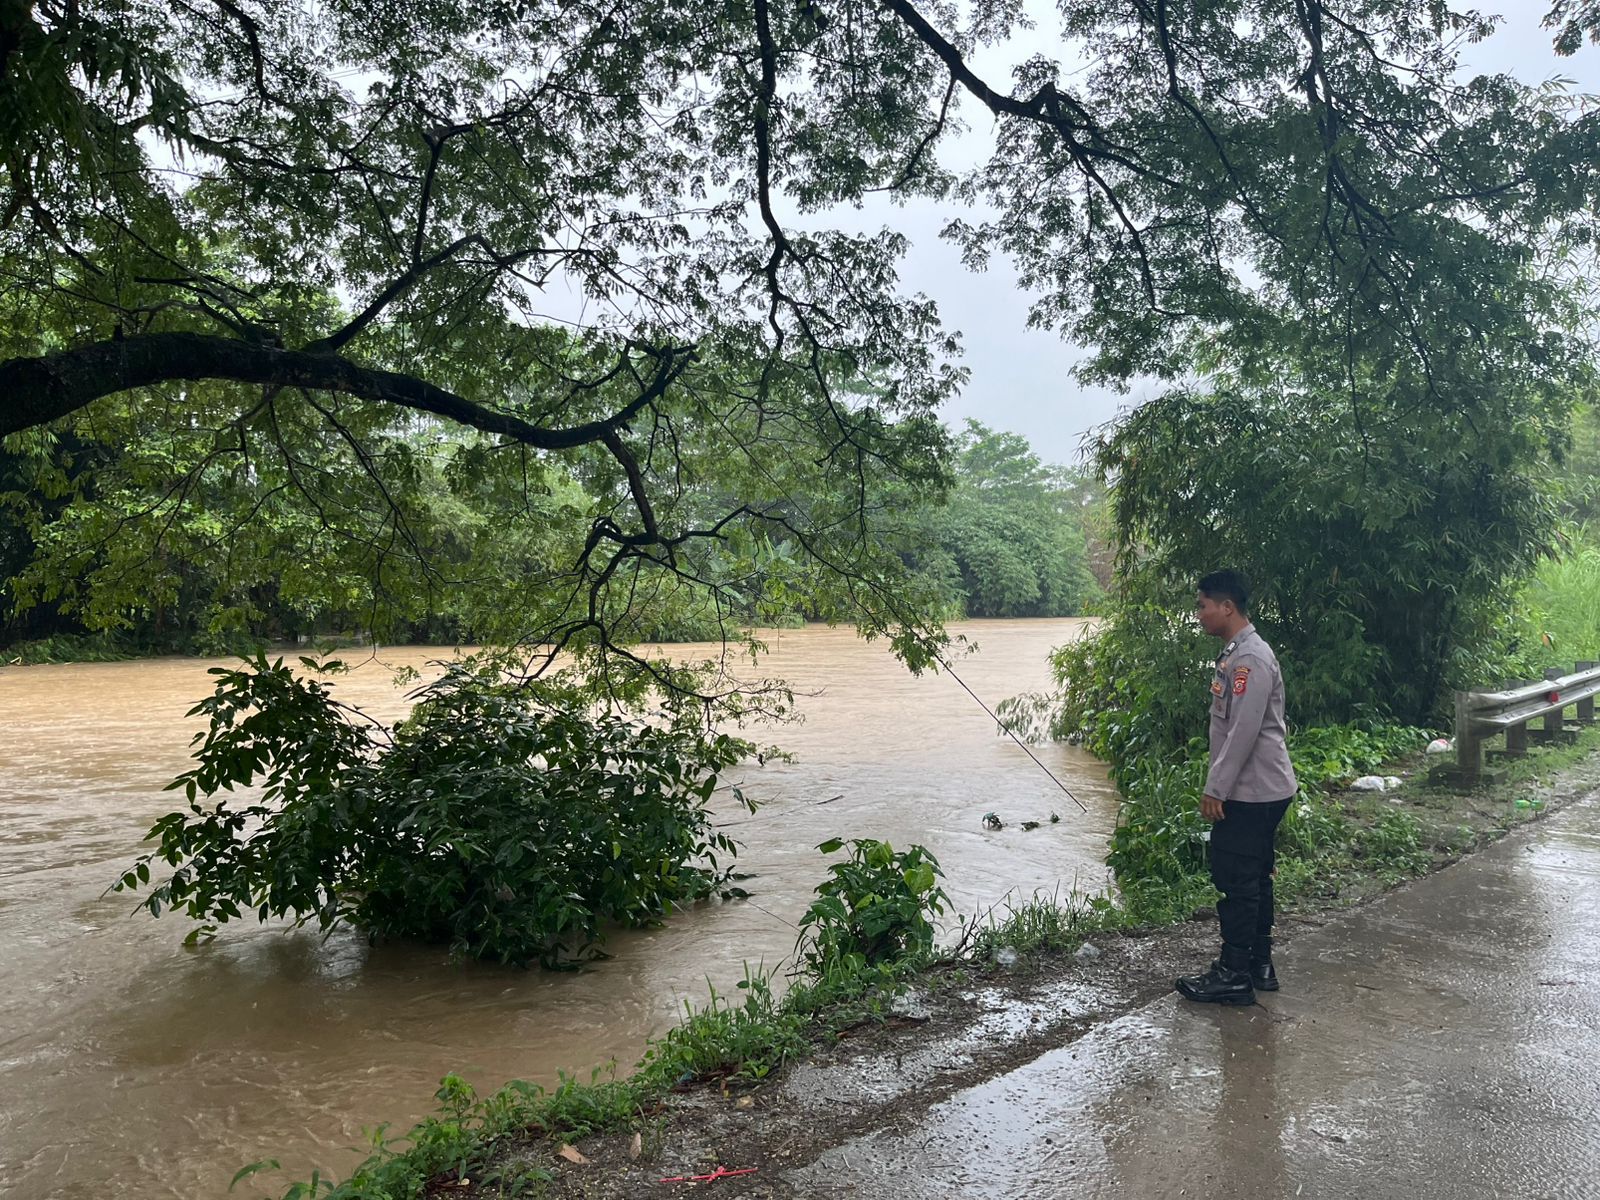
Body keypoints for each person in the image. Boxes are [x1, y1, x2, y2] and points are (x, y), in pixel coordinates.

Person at [1175, 569, 1298, 1006]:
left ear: (1226, 607)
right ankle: (1258, 965)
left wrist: (1216, 788)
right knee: (1257, 877)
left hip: (1251, 790)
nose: (1199, 614)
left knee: (1237, 880)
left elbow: (1242, 731)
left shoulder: (1249, 660)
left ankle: (1232, 973)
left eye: (1203, 605)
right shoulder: (1239, 653)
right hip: (1262, 787)